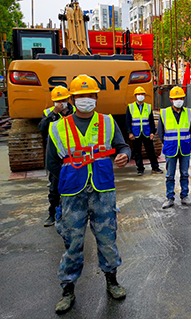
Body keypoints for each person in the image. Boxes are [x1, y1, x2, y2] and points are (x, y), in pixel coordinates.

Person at [47, 75, 130, 314]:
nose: (86, 99)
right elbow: (52, 163)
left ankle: (112, 281)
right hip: (72, 192)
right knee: (73, 241)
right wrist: (62, 187)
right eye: (81, 96)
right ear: (73, 99)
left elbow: (122, 146)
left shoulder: (107, 122)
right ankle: (68, 289)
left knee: (107, 238)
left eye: (90, 95)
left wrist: (124, 155)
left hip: (103, 190)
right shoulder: (58, 126)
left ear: (96, 97)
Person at [39, 86, 75, 227]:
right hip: (55, 154)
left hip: (72, 153)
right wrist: (54, 113)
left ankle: (75, 212)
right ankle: (52, 214)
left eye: (63, 100)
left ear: (68, 99)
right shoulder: (48, 113)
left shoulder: (76, 112)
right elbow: (42, 127)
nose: (60, 103)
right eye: (57, 100)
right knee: (55, 187)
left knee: (76, 184)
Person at [158, 86, 191, 209]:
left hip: (184, 148)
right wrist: (168, 143)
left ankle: (185, 196)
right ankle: (169, 198)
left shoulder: (189, 112)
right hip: (170, 148)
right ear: (171, 99)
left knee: (184, 173)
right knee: (170, 175)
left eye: (181, 98)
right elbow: (160, 132)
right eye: (176, 98)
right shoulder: (164, 113)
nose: (179, 100)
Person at [125, 86, 162, 176]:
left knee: (151, 151)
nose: (140, 96)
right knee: (137, 152)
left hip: (146, 132)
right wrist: (130, 132)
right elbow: (128, 121)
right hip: (135, 132)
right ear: (135, 96)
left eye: (142, 94)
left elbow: (151, 121)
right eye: (139, 94)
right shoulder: (131, 107)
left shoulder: (148, 107)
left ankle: (155, 167)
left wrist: (152, 132)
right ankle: (140, 169)